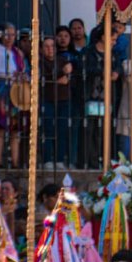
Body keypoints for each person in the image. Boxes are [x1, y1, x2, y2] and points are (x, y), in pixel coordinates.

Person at [82, 26, 123, 168]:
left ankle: (104, 159)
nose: (114, 42)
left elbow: (119, 67)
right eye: (112, 39)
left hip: (108, 96)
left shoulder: (114, 54)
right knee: (90, 130)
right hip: (91, 95)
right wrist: (102, 72)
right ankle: (91, 161)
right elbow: (85, 69)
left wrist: (116, 72)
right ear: (103, 37)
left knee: (105, 130)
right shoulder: (89, 53)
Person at [0, 24, 28, 168]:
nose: (10, 38)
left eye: (13, 35)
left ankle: (15, 162)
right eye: (7, 34)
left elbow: (24, 69)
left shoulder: (17, 52)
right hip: (2, 90)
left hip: (16, 92)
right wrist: (10, 75)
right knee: (0, 128)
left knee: (15, 128)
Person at [40, 37, 73, 168]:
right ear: (42, 49)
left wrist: (67, 75)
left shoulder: (62, 60)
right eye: (46, 46)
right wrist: (61, 75)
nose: (50, 49)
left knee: (62, 129)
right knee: (47, 129)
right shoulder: (39, 62)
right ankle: (47, 159)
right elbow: (45, 77)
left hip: (63, 99)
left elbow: (71, 77)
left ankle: (59, 160)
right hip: (47, 99)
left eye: (52, 46)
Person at [56, 26, 84, 169]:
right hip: (56, 97)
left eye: (66, 36)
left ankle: (72, 160)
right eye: (59, 35)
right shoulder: (51, 54)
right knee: (57, 128)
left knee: (74, 129)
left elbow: (81, 75)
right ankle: (58, 159)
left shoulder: (76, 56)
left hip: (74, 96)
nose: (62, 38)